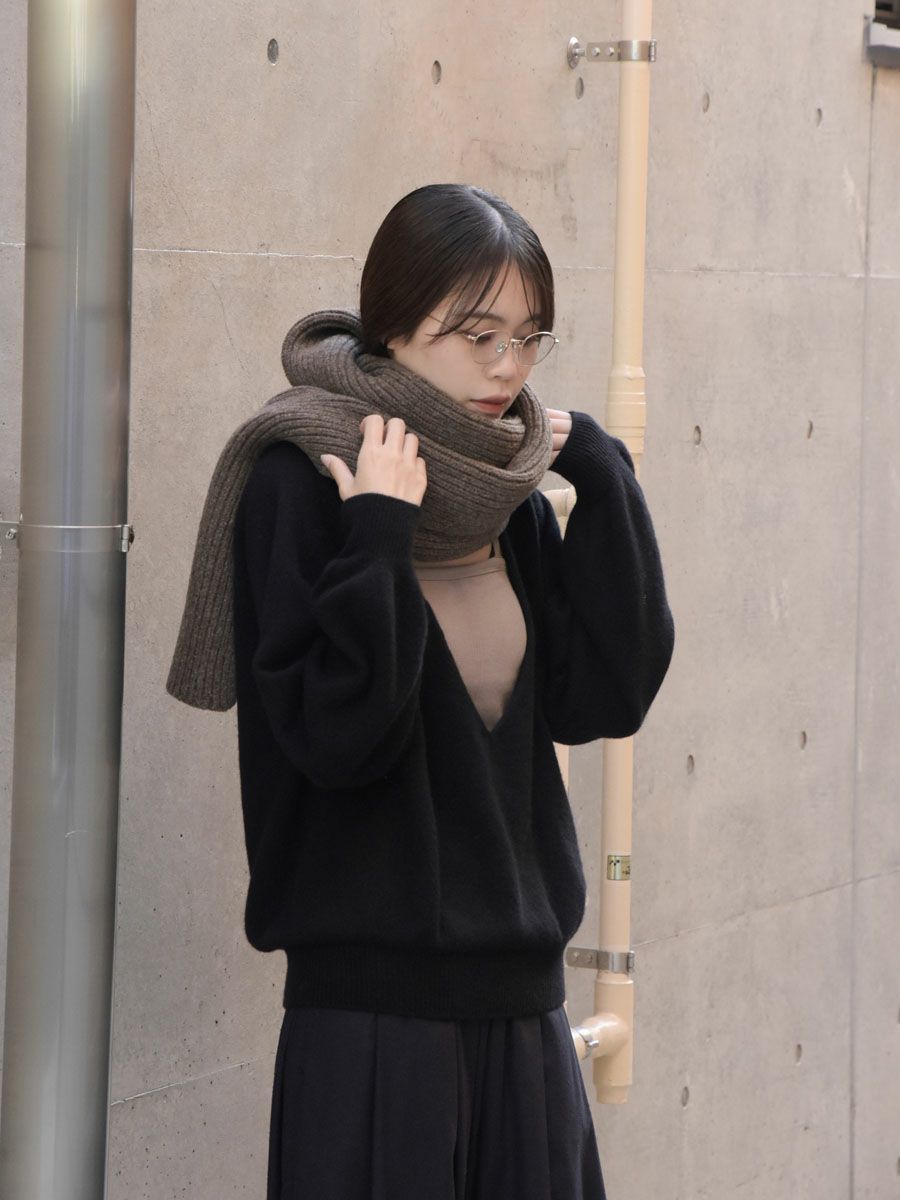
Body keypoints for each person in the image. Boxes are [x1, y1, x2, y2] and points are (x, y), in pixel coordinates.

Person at [166, 182, 675, 1199]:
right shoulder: (301, 480)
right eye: (477, 335)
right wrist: (378, 536)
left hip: (523, 1013)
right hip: (371, 1023)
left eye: (529, 337)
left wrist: (605, 476)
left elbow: (602, 699)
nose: (508, 367)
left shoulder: (503, 497)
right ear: (394, 326)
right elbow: (335, 738)